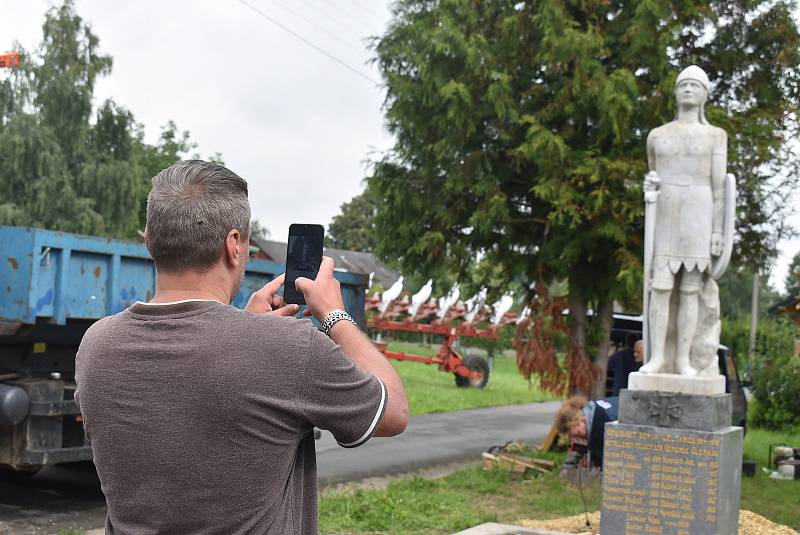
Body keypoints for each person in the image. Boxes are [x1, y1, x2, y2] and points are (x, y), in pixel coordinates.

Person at [74, 160, 408, 535]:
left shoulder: (96, 345)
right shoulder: (290, 349)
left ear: (149, 241)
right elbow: (392, 411)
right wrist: (334, 316)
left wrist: (246, 328)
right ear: (234, 245)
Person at [640, 65, 728, 376]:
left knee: (690, 290)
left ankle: (683, 360)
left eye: (695, 85)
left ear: (705, 94)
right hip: (666, 214)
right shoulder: (657, 136)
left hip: (698, 213)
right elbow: (654, 177)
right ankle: (658, 357)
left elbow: (720, 188)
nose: (688, 89)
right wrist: (649, 187)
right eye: (683, 85)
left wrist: (718, 230)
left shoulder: (716, 136)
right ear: (676, 93)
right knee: (660, 287)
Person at [554, 395, 619, 469]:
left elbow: (607, 463)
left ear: (579, 420)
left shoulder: (602, 424)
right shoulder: (591, 409)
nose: (578, 438)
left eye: (577, 434)